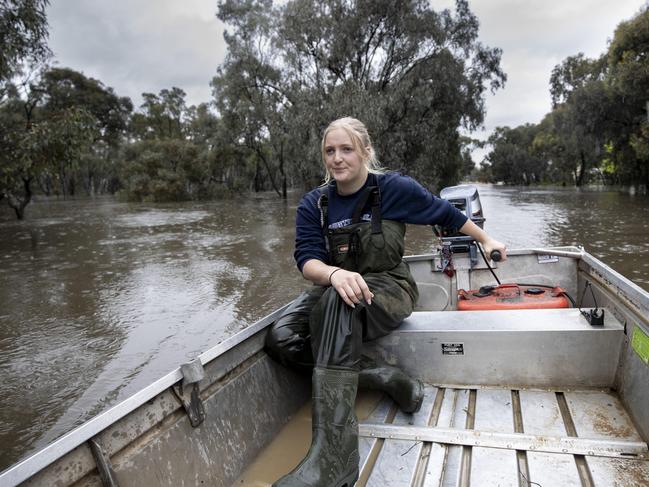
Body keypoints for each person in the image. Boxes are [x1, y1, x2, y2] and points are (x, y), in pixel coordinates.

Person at [265, 117, 507, 487]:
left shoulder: (393, 189)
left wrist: (485, 240)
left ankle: (335, 459)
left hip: (389, 288)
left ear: (365, 152)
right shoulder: (315, 203)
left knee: (336, 305)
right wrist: (333, 274)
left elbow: (446, 214)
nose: (337, 158)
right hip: (335, 287)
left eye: (346, 149)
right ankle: (384, 377)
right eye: (330, 151)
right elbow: (307, 260)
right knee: (281, 337)